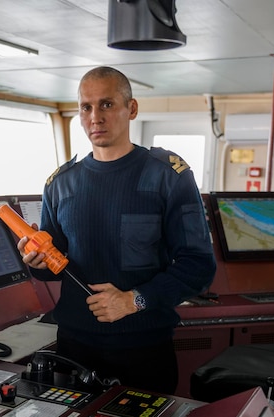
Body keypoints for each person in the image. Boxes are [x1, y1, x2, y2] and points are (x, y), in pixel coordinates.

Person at [18, 66, 216, 395]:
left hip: (144, 349)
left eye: (107, 104)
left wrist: (134, 300)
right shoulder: (60, 183)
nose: (95, 117)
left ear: (131, 109)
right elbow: (56, 268)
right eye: (86, 107)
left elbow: (198, 264)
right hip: (74, 348)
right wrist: (36, 263)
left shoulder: (168, 175)